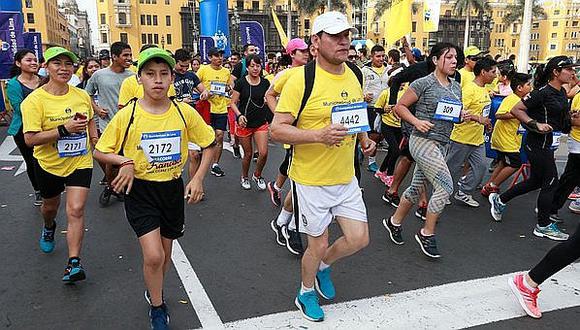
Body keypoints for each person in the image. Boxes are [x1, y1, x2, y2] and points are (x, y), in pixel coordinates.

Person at [94, 48, 217, 329]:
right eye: (150, 74)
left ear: (173, 78)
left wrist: (197, 178)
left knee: (164, 256)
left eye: (164, 74)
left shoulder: (184, 112)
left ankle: (154, 289)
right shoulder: (129, 114)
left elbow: (210, 144)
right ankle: (158, 306)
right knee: (153, 255)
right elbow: (101, 151)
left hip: (171, 190)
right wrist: (124, 160)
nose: (157, 80)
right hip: (140, 191)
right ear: (139, 79)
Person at [271, 11, 375, 322]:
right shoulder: (300, 79)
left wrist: (366, 139)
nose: (344, 41)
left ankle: (323, 268)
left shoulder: (355, 74)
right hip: (310, 179)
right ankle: (305, 293)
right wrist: (318, 135)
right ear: (316, 42)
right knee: (318, 243)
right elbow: (277, 130)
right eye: (336, 36)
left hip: (344, 177)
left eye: (347, 35)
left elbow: (355, 114)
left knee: (359, 239)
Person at [21, 46, 98, 282]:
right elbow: (30, 139)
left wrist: (95, 142)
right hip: (48, 163)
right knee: (50, 207)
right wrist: (63, 129)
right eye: (57, 64)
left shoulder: (81, 95)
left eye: (68, 64)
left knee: (75, 210)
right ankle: (49, 225)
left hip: (79, 161)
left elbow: (90, 120)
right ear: (47, 66)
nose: (64, 69)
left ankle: (73, 263)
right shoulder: (35, 101)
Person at [383, 42, 461, 258]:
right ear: (436, 60)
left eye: (456, 57)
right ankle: (427, 233)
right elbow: (400, 107)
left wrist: (460, 116)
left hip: (442, 143)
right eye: (449, 57)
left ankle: (394, 221)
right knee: (445, 187)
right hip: (422, 141)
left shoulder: (456, 86)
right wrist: (416, 122)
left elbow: (451, 113)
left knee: (416, 187)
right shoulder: (423, 83)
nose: (454, 61)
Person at [489, 56, 579, 241]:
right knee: (551, 182)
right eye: (568, 69)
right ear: (555, 72)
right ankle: (543, 225)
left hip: (549, 144)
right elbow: (516, 110)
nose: (573, 73)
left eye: (573, 69)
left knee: (536, 181)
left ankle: (500, 200)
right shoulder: (542, 92)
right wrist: (535, 124)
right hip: (537, 144)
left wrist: (570, 115)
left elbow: (556, 117)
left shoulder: (561, 91)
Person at [265, 38, 310, 256]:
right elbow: (269, 95)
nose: (306, 54)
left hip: (313, 136)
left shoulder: (313, 71)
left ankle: (284, 222)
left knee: (303, 184)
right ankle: (288, 225)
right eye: (302, 51)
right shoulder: (285, 75)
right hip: (294, 136)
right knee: (300, 184)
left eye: (307, 50)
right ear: (292, 54)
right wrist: (281, 119)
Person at [85, 41, 135, 204]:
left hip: (129, 124)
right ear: (114, 57)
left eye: (130, 55)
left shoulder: (133, 75)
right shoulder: (99, 75)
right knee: (110, 157)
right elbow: (87, 95)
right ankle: (110, 186)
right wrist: (97, 109)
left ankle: (114, 185)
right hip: (107, 123)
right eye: (125, 55)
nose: (129, 58)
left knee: (124, 157)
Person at [445, 58, 497, 208]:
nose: (495, 75)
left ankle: (464, 192)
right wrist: (477, 118)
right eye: (493, 72)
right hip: (461, 137)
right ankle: (442, 191)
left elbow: (484, 112)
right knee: (451, 168)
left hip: (478, 138)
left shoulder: (485, 90)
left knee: (480, 167)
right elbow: (459, 111)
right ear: (483, 72)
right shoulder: (469, 89)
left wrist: (487, 123)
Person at [482, 73, 532, 196]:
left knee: (504, 163)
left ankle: (488, 185)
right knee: (516, 163)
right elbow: (499, 115)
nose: (531, 87)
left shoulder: (521, 100)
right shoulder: (511, 99)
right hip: (505, 140)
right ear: (519, 88)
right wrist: (517, 113)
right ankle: (493, 185)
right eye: (528, 85)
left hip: (511, 139)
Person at [230, 54, 271, 190]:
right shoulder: (241, 82)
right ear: (247, 67)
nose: (255, 68)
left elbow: (270, 99)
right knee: (248, 154)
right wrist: (239, 115)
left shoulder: (265, 83)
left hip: (261, 122)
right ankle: (244, 176)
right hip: (245, 123)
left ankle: (257, 175)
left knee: (263, 153)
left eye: (258, 66)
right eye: (252, 66)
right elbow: (233, 103)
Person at [6, 49, 42, 205]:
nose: (34, 62)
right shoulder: (13, 84)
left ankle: (50, 187)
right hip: (23, 129)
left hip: (45, 127)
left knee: (45, 159)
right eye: (29, 60)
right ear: (18, 63)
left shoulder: (43, 80)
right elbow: (19, 108)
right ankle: (38, 190)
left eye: (35, 60)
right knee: (31, 160)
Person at [196, 47, 232, 177]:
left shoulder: (226, 71)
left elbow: (229, 87)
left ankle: (215, 164)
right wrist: (204, 93)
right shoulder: (203, 70)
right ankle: (200, 155)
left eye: (221, 56)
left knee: (220, 135)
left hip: (221, 108)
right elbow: (194, 84)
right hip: (206, 107)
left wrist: (228, 89)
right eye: (216, 56)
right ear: (210, 57)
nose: (219, 59)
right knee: (206, 135)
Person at [173, 49, 207, 181]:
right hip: (174, 119)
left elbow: (203, 90)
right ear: (175, 63)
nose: (184, 69)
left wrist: (205, 93)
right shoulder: (169, 75)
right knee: (175, 157)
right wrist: (181, 101)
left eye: (187, 66)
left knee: (195, 155)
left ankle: (194, 184)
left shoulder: (191, 76)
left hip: (191, 118)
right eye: (181, 66)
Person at [361, 45, 390, 173]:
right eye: (378, 56)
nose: (381, 59)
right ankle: (372, 162)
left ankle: (363, 148)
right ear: (372, 56)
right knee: (374, 134)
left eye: (383, 56)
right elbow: (358, 87)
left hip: (386, 108)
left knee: (381, 135)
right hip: (371, 107)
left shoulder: (389, 70)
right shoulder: (365, 70)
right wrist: (363, 96)